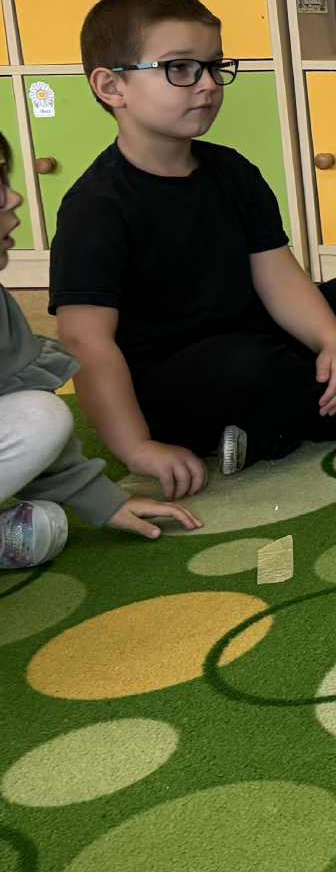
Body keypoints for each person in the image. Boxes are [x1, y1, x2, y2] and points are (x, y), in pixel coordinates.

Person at [50, 0, 336, 500]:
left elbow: (279, 275)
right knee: (246, 364)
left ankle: (271, 425)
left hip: (261, 346)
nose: (208, 84)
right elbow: (87, 343)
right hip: (177, 389)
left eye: (215, 66)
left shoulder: (232, 171)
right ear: (112, 86)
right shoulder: (94, 207)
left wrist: (332, 342)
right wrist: (137, 448)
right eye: (180, 68)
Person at [3, 131, 197, 569]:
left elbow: (18, 407)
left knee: (40, 421)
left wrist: (104, 503)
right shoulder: (96, 200)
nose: (14, 198)